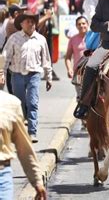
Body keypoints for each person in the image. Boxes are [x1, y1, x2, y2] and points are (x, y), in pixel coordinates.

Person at [1, 11, 53, 143]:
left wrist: (49, 77)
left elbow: (46, 59)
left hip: (34, 75)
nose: (31, 24)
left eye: (33, 21)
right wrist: (1, 73)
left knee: (33, 103)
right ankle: (20, 129)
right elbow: (5, 57)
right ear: (22, 24)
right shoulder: (14, 38)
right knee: (19, 103)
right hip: (17, 75)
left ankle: (32, 132)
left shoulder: (41, 39)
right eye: (28, 21)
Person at [0, 58, 47, 199]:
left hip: (2, 177)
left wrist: (37, 181)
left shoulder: (11, 104)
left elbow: (24, 147)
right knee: (91, 68)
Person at [65, 16, 88, 94]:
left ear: (87, 24)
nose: (81, 26)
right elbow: (67, 57)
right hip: (78, 72)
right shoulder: (73, 39)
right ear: (76, 26)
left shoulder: (93, 37)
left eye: (83, 23)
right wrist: (69, 69)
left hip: (91, 71)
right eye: (79, 24)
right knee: (80, 97)